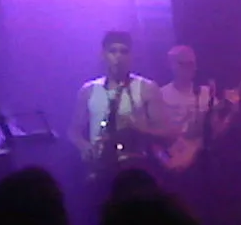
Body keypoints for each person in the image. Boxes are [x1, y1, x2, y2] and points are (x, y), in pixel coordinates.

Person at [67, 31, 172, 176]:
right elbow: (74, 131)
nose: (118, 57)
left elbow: (166, 132)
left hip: (136, 166)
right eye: (113, 51)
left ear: (131, 56)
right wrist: (84, 147)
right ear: (103, 55)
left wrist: (140, 130)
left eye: (124, 52)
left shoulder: (147, 88)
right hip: (100, 167)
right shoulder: (88, 90)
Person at [160, 45, 240, 170]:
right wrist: (166, 161)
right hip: (175, 159)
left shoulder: (206, 93)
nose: (188, 68)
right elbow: (156, 138)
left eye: (191, 63)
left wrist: (231, 112)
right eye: (182, 63)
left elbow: (217, 131)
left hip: (202, 162)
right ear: (171, 65)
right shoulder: (161, 95)